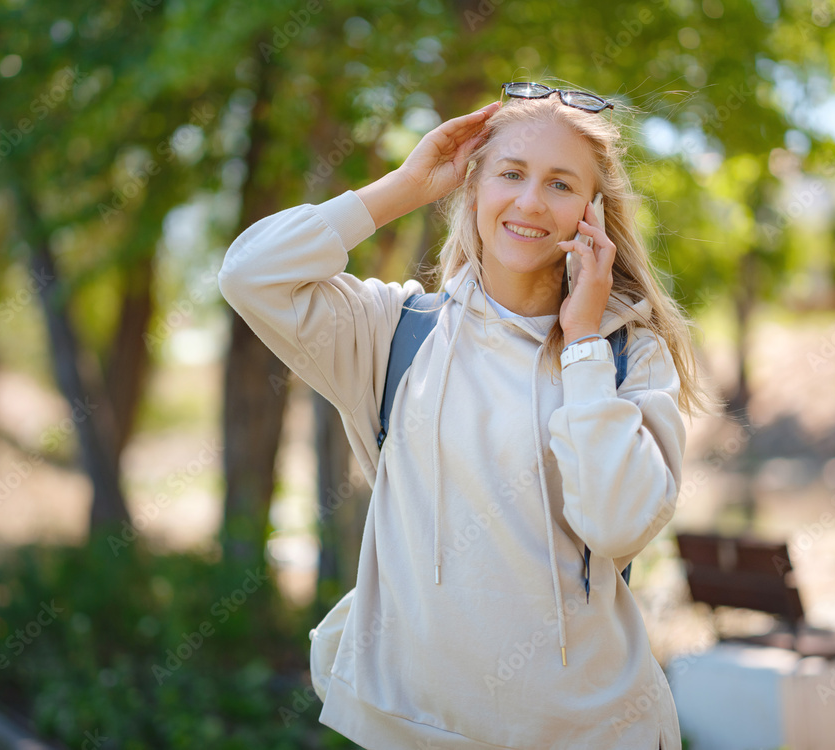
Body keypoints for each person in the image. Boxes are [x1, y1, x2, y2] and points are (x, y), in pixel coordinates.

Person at [218, 81, 711, 750]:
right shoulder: (393, 332)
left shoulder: (629, 355)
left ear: (592, 212)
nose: (531, 201)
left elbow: (621, 524)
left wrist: (586, 340)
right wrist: (405, 186)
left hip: (594, 733)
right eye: (511, 173)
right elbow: (250, 273)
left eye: (561, 184)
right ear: (473, 189)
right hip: (411, 729)